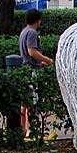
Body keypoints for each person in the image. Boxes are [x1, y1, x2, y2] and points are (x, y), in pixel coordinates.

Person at [18, 8, 52, 136]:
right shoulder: (32, 33)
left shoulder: (24, 32)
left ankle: (23, 128)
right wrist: (47, 60)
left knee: (25, 102)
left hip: (25, 68)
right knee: (33, 101)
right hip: (32, 70)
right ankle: (31, 129)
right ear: (38, 21)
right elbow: (32, 52)